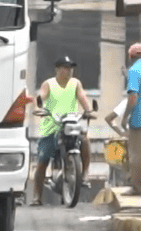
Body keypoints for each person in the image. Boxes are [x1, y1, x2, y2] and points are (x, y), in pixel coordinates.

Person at [29, 55, 94, 206]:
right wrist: (39, 107)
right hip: (52, 126)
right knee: (43, 160)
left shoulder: (75, 83)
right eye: (65, 67)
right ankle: (37, 196)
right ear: (57, 69)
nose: (69, 71)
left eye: (70, 68)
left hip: (71, 124)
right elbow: (41, 97)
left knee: (84, 139)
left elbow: (83, 97)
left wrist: (88, 111)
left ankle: (84, 175)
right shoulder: (49, 84)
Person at [120, 42, 141, 195]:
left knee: (136, 156)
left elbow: (133, 97)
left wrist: (125, 117)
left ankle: (138, 187)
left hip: (139, 118)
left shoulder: (134, 70)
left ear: (131, 57)